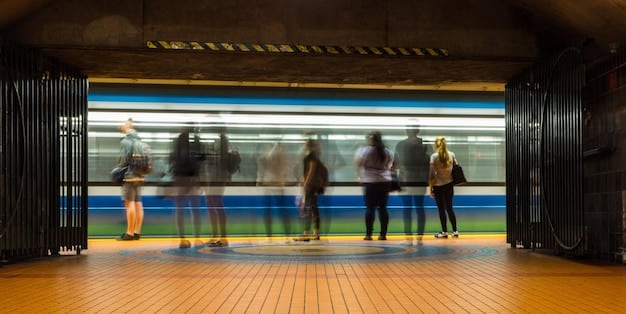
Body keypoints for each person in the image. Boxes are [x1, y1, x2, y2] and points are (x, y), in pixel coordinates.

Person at [354, 131, 395, 241]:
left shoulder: (366, 151)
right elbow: (391, 165)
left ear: (371, 139)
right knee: (383, 208)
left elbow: (358, 162)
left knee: (370, 209)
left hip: (370, 182)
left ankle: (368, 234)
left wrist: (360, 176)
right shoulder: (387, 152)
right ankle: (383, 234)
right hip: (385, 182)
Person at [394, 126, 430, 245]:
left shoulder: (400, 145)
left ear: (406, 131)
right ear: (418, 131)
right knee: (420, 209)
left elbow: (395, 164)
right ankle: (419, 239)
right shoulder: (425, 144)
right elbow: (430, 163)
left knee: (407, 210)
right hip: (421, 182)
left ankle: (408, 238)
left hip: (405, 182)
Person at [170, 126, 204, 248]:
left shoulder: (176, 141)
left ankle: (182, 239)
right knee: (195, 209)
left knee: (180, 209)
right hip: (193, 179)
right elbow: (201, 160)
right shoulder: (196, 140)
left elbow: (172, 159)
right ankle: (197, 239)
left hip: (179, 179)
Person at [257, 141, 292, 242]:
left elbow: (271, 160)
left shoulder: (277, 154)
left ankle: (276, 236)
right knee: (274, 211)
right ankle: (276, 236)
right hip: (272, 185)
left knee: (276, 211)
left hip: (274, 185)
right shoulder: (278, 155)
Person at [117, 118, 145, 241]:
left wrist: (118, 170)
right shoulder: (140, 140)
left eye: (123, 123)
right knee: (138, 204)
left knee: (130, 204)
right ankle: (137, 232)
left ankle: (129, 233)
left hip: (129, 176)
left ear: (128, 125)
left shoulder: (126, 141)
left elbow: (124, 160)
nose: (121, 125)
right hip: (139, 176)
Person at [429, 136, 459, 238]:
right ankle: (455, 231)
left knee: (441, 209)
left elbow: (432, 175)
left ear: (436, 145)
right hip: (449, 184)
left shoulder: (434, 156)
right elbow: (456, 167)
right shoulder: (451, 154)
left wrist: (430, 189)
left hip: (438, 186)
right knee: (450, 208)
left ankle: (444, 232)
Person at [296, 138, 327, 241]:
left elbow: (311, 171)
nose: (304, 146)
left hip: (311, 186)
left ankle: (308, 232)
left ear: (308, 146)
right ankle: (315, 232)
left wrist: (305, 183)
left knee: (309, 209)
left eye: (305, 144)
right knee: (313, 208)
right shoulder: (315, 157)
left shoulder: (311, 157)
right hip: (314, 186)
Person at [205, 130, 230, 247]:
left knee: (216, 205)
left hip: (217, 179)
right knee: (213, 205)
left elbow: (218, 162)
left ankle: (222, 237)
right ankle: (217, 235)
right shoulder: (221, 140)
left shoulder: (222, 141)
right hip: (216, 178)